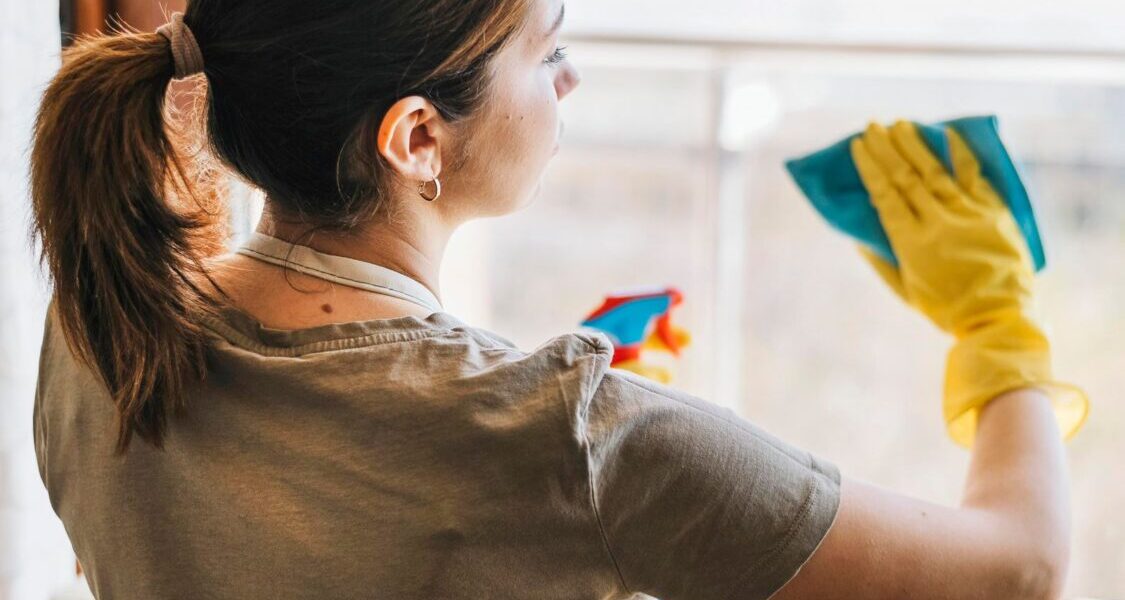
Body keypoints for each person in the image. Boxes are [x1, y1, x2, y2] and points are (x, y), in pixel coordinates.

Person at [27, 1, 1086, 598]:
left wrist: (522, 403)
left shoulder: (98, 326)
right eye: (550, 52)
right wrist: (995, 322)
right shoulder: (571, 442)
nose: (569, 83)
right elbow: (1019, 567)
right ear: (417, 138)